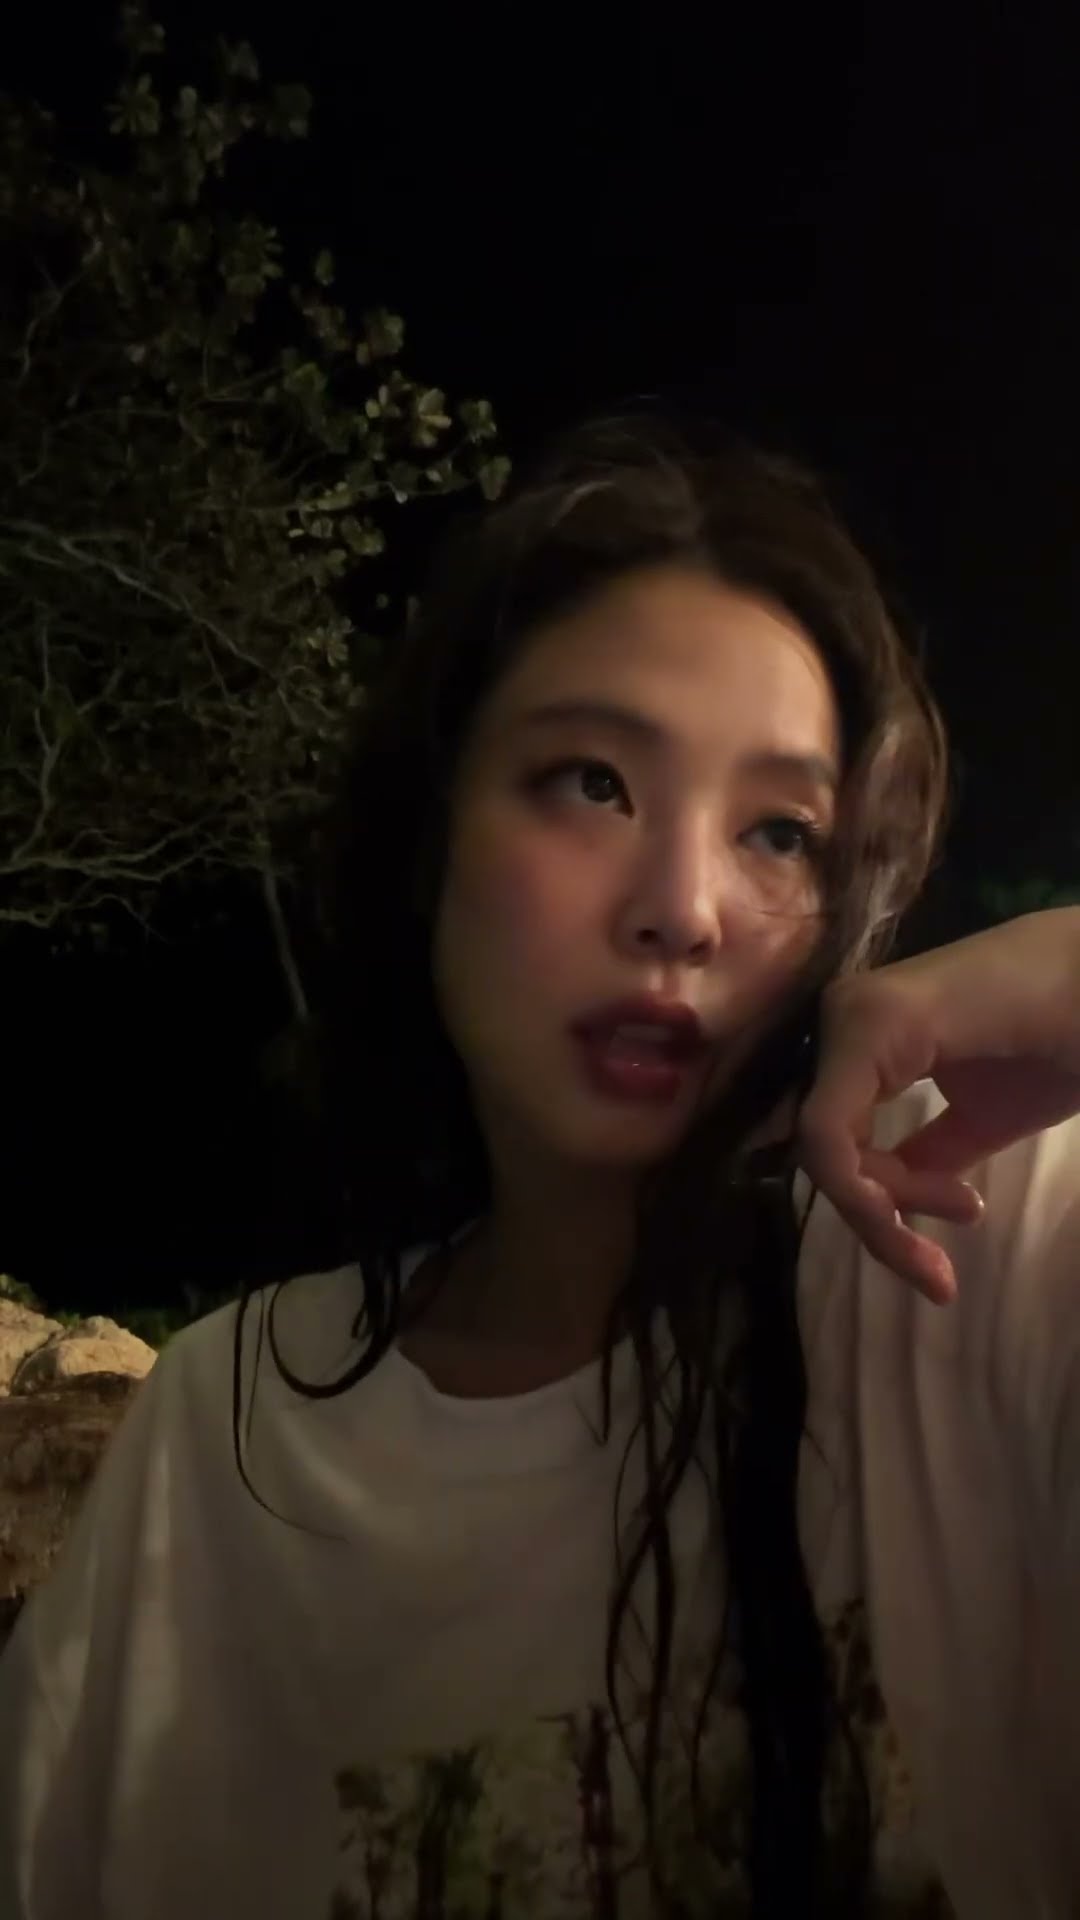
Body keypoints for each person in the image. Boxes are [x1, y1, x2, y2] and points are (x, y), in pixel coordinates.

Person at [1, 408, 1078, 1920]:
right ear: (432, 831)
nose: (684, 908)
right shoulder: (227, 1439)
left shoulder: (975, 1231)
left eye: (782, 832)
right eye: (592, 783)